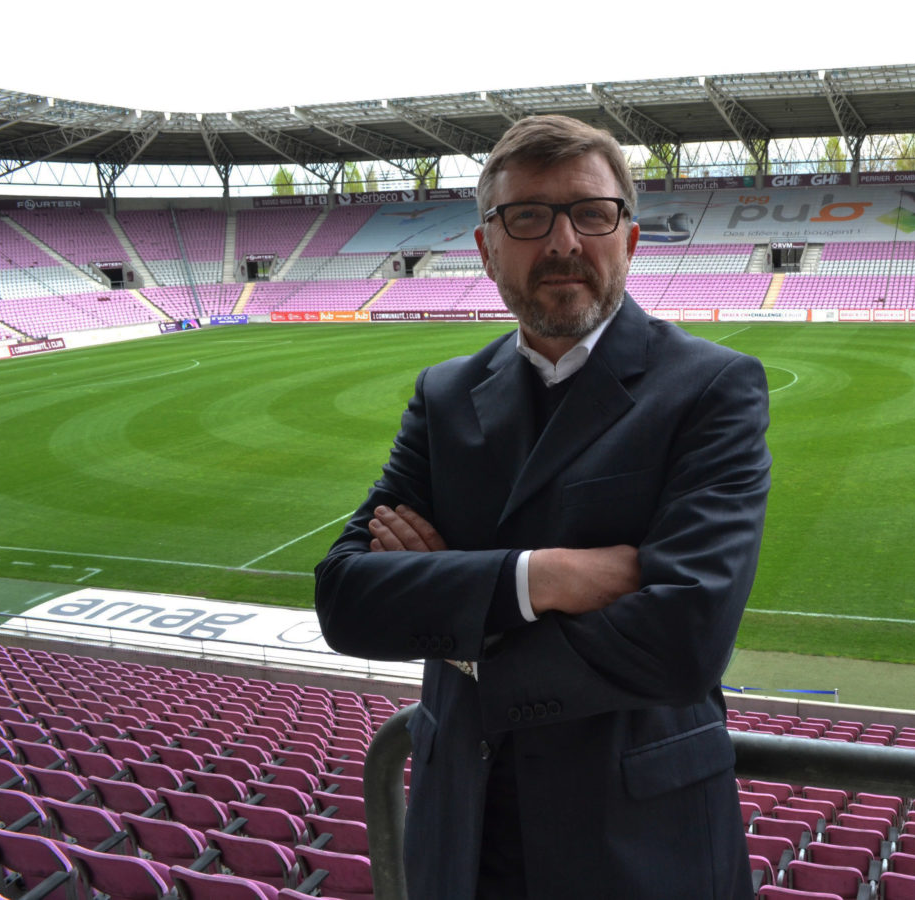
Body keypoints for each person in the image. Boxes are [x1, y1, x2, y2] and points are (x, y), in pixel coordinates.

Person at [314, 114, 771, 899]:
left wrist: (460, 623)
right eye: (528, 216)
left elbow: (684, 640)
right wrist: (543, 577)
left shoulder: (711, 389)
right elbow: (346, 599)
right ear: (488, 248)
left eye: (590, 213)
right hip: (461, 837)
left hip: (636, 848)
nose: (563, 242)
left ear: (628, 239)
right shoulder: (445, 394)